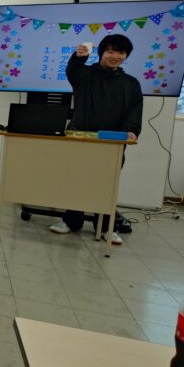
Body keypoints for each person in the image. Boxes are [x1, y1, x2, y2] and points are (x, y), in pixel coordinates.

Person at [49, 34, 143, 245]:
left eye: (121, 52)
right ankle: (71, 221)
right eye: (110, 51)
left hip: (113, 142)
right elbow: (72, 70)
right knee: (76, 180)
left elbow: (135, 110)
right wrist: (79, 56)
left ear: (126, 55)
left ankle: (106, 227)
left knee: (107, 185)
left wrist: (132, 130)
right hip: (81, 138)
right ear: (101, 52)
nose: (115, 56)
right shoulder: (85, 74)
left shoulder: (131, 84)